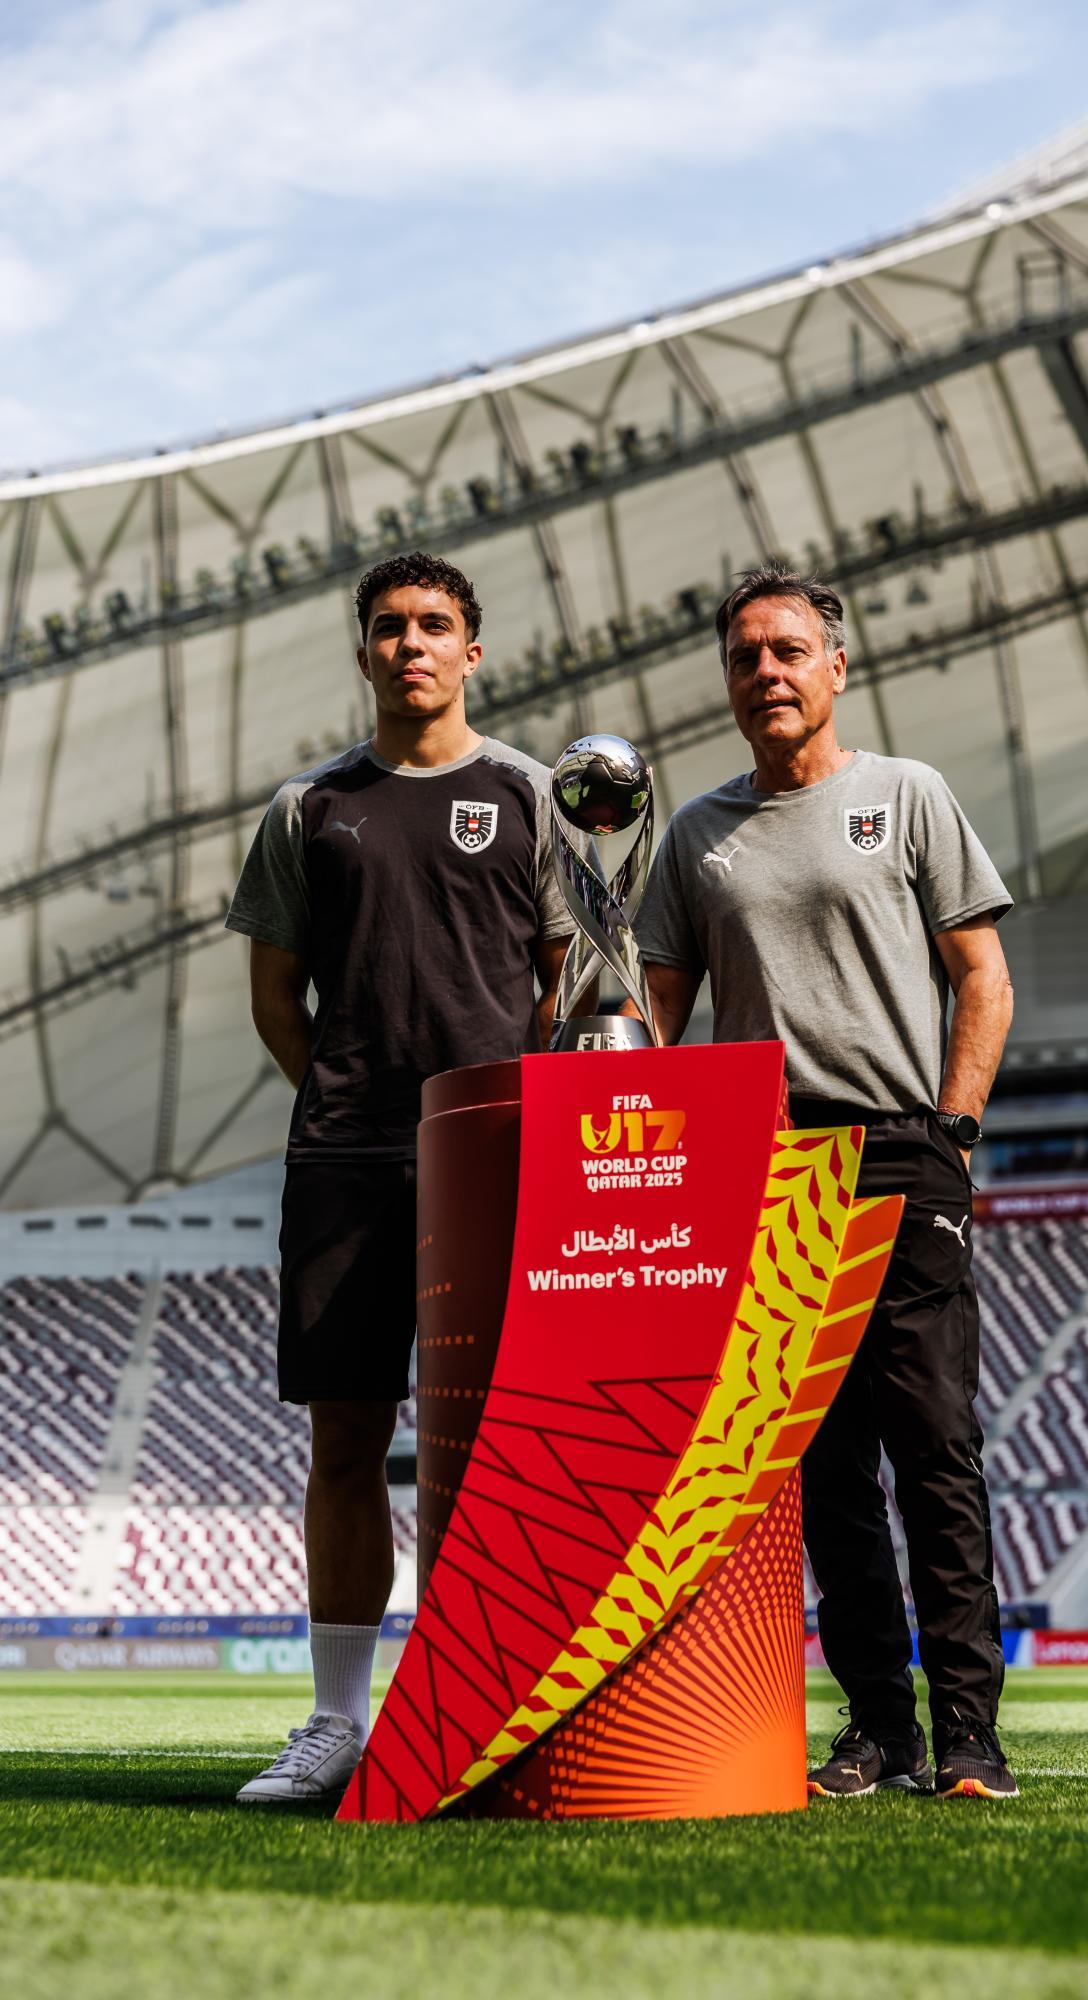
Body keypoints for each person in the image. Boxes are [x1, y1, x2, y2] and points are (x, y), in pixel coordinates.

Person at [632, 564, 1018, 1801]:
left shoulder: (905, 795)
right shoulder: (694, 833)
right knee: (824, 1464)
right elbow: (652, 1016)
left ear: (835, 668)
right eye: (746, 655)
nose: (767, 672)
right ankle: (877, 1729)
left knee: (936, 1449)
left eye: (789, 650)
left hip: (904, 1147)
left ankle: (968, 1732)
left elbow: (983, 976)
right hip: (763, 1166)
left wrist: (954, 1132)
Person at [224, 550, 573, 1805]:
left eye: (434, 625)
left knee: (492, 1445)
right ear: (363, 651)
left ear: (473, 650)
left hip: (500, 1159)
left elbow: (565, 980)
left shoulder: (536, 793)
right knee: (346, 1437)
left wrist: (489, 1114)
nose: (409, 644)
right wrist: (350, 1098)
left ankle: (478, 1703)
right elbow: (274, 996)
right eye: (388, 627)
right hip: (350, 1159)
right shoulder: (306, 807)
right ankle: (334, 1722)